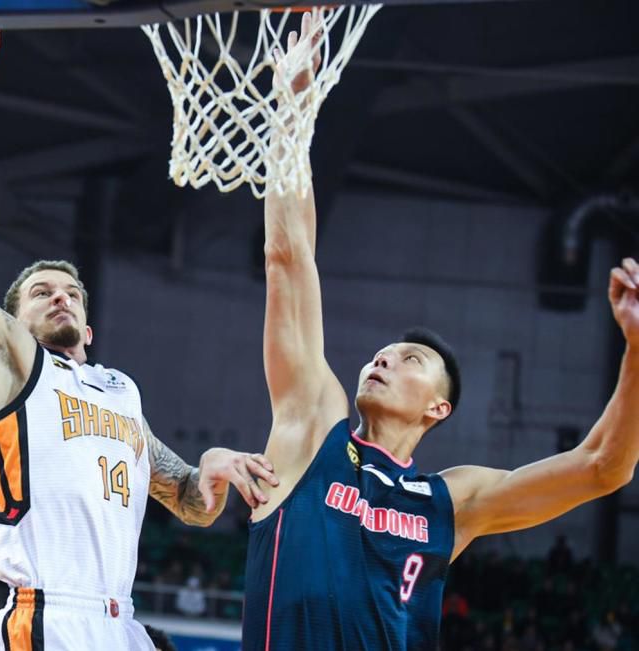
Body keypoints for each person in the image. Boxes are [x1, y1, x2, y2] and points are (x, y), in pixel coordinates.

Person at [242, 12, 639, 651]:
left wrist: (638, 353)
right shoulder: (312, 429)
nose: (383, 359)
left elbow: (601, 469)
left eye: (409, 358)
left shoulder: (453, 500)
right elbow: (288, 258)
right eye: (382, 353)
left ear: (439, 406)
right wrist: (293, 108)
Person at [0, 38, 278, 651]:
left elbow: (191, 504)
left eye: (71, 291)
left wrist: (217, 468)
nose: (60, 297)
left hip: (123, 624)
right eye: (41, 292)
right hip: (46, 618)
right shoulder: (9, 361)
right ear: (12, 319)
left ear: (89, 329)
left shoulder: (120, 393)